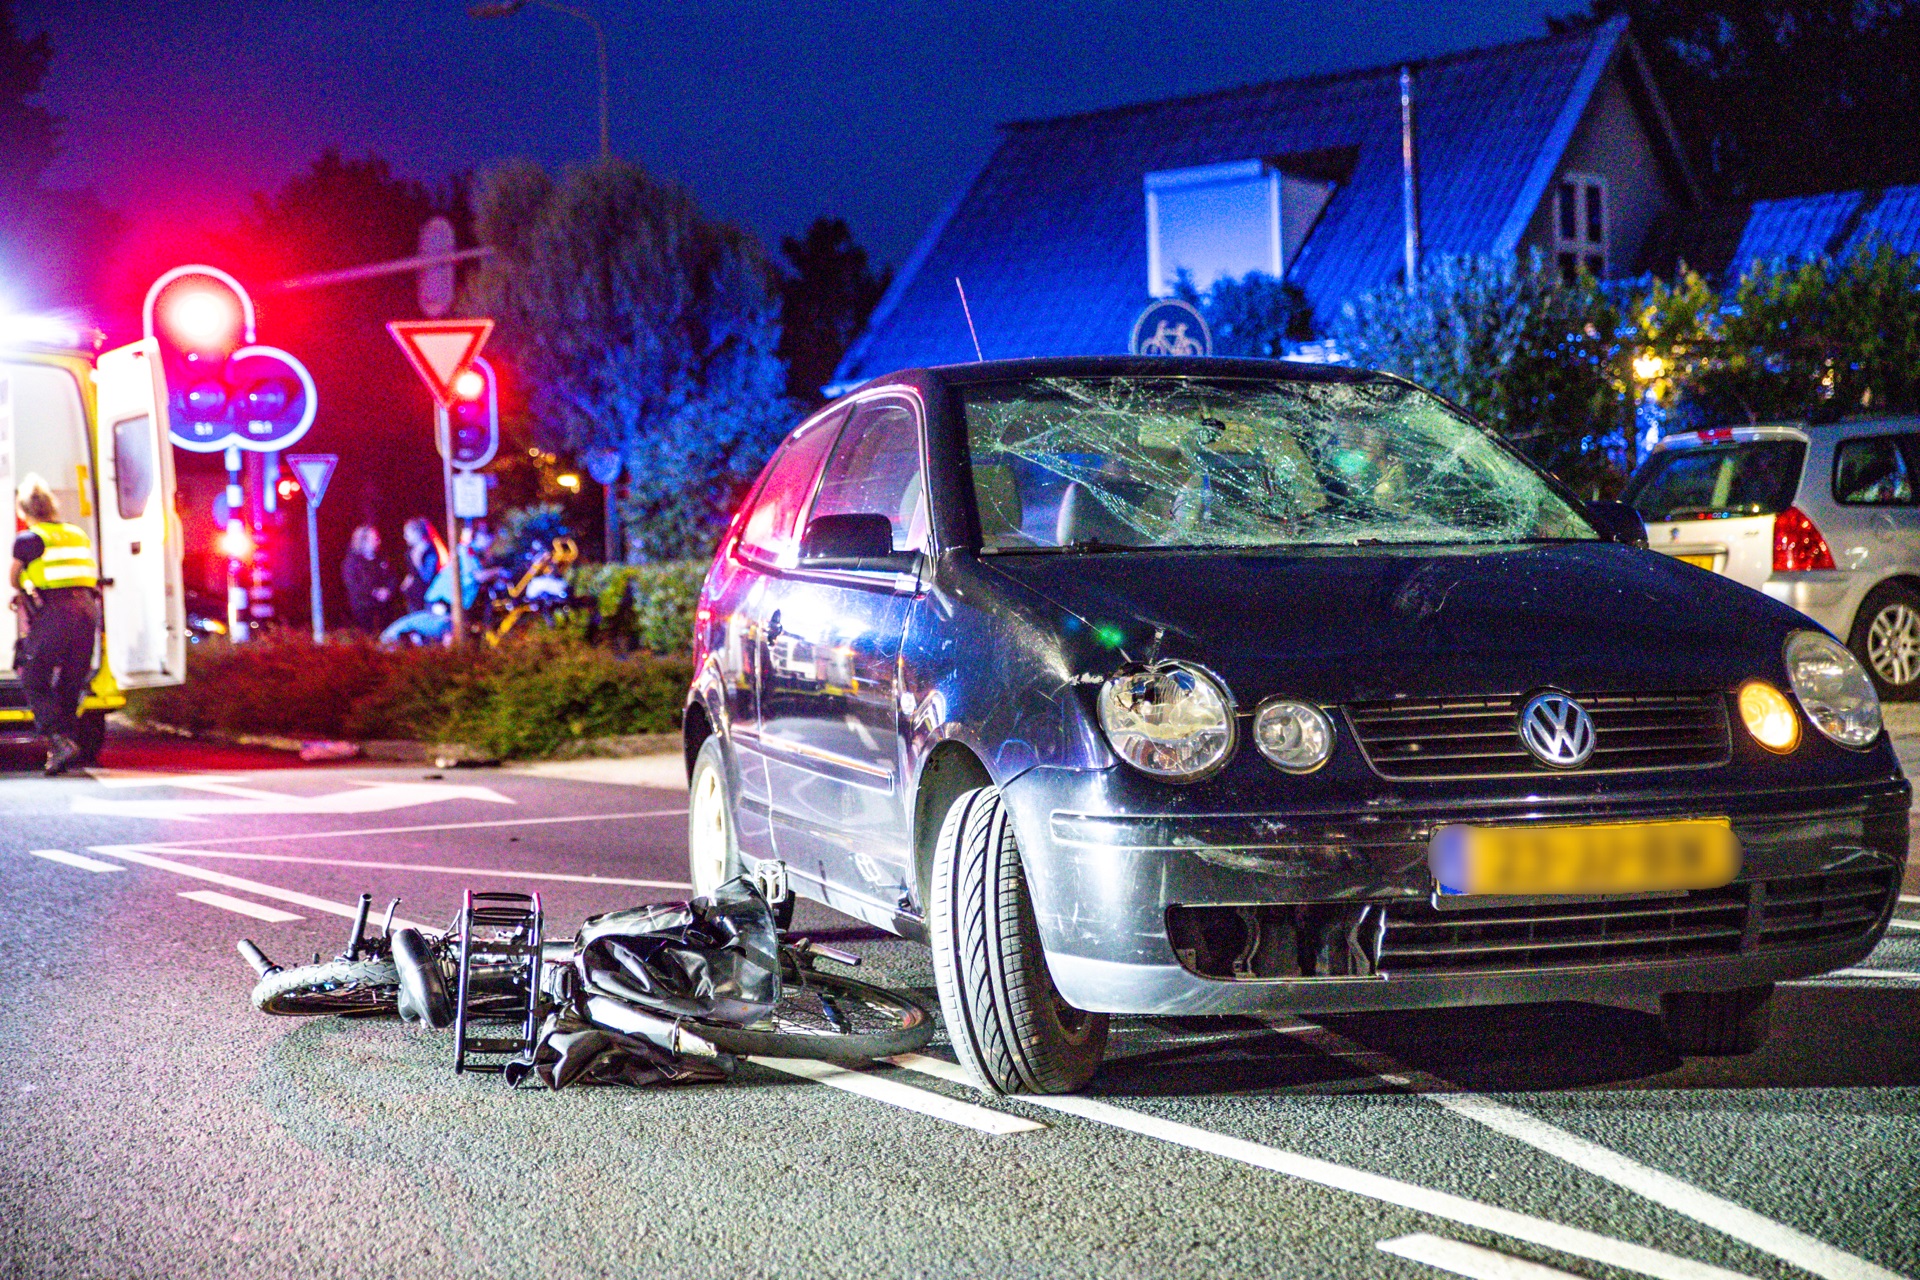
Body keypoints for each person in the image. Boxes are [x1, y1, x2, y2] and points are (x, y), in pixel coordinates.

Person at [9, 474, 102, 775]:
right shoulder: (76, 533)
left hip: (58, 611)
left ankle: (58, 739)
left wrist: (21, 589)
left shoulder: (29, 539)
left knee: (32, 671)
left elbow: (14, 576)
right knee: (71, 680)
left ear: (24, 510)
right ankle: (65, 745)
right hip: (88, 610)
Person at [340, 524, 398, 633]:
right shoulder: (352, 562)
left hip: (384, 606)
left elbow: (392, 577)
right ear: (364, 541)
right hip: (363, 607)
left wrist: (388, 591)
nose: (378, 541)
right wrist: (374, 592)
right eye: (374, 539)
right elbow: (353, 585)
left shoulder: (382, 558)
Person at [397, 517, 445, 614]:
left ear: (417, 533)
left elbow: (427, 577)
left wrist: (418, 562)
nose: (405, 537)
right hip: (413, 596)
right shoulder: (409, 552)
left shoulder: (430, 552)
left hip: (427, 595)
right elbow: (412, 573)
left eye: (407, 533)